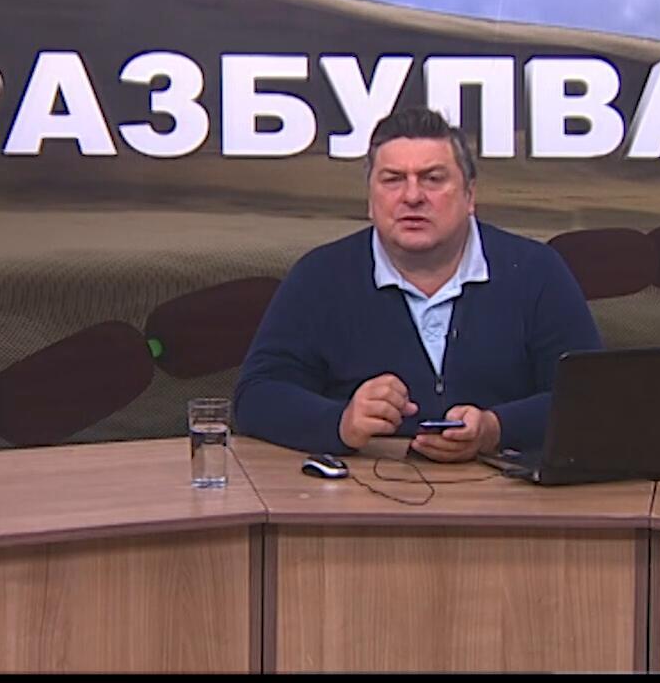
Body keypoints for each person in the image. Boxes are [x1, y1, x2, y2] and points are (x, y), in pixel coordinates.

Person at [233, 107, 602, 462]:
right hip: (363, 490)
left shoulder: (536, 271)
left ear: (470, 195)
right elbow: (256, 397)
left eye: (433, 179)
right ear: (370, 200)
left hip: (508, 492)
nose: (412, 196)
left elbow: (592, 399)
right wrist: (341, 422)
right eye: (393, 179)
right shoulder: (320, 276)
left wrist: (496, 428)